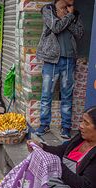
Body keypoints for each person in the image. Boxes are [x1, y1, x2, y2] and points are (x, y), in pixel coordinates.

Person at [35, 0, 84, 139]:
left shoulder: (75, 14)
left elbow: (80, 33)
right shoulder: (48, 9)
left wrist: (68, 16)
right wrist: (68, 18)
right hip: (51, 60)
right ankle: (44, 125)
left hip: (69, 60)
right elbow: (55, 27)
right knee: (46, 94)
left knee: (67, 95)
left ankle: (66, 127)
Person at [27, 106, 96, 188]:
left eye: (86, 123)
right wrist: (42, 147)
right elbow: (62, 150)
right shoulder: (80, 139)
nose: (81, 126)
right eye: (82, 121)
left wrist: (57, 165)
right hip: (60, 185)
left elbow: (85, 186)